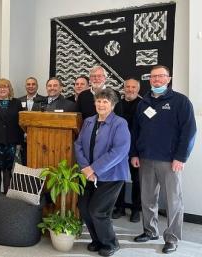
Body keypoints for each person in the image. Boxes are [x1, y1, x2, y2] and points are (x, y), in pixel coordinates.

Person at [131, 65, 196, 254]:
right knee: (148, 198)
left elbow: (189, 131)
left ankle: (172, 238)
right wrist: (134, 153)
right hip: (145, 159)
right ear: (149, 80)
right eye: (153, 77)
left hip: (170, 161)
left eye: (161, 76)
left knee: (173, 201)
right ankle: (150, 231)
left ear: (168, 79)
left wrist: (180, 157)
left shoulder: (181, 101)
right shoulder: (143, 103)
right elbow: (136, 130)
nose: (156, 80)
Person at [75, 88, 130, 257]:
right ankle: (97, 240)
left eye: (105, 101)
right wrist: (85, 168)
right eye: (98, 101)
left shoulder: (120, 123)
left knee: (98, 210)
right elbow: (78, 145)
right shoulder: (89, 121)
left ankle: (110, 243)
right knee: (84, 208)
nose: (101, 104)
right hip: (87, 174)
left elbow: (119, 150)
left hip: (111, 175)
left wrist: (94, 168)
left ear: (112, 105)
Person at [112, 78, 142, 222]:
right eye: (127, 87)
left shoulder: (143, 105)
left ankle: (136, 209)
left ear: (138, 89)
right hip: (118, 148)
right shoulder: (117, 105)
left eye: (133, 87)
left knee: (137, 180)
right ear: (123, 88)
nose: (130, 89)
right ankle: (120, 207)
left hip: (135, 149)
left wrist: (137, 151)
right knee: (120, 179)